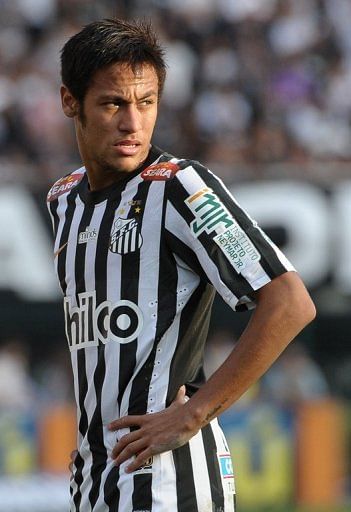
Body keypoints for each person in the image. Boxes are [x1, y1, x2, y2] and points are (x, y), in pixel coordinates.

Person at [47, 18, 316, 512]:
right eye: (113, 104)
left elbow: (289, 301)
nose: (133, 123)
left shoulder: (179, 188)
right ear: (71, 102)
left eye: (146, 103)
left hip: (172, 483)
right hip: (93, 479)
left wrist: (193, 415)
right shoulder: (63, 199)